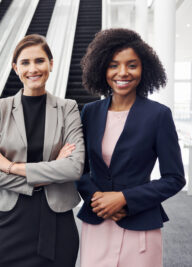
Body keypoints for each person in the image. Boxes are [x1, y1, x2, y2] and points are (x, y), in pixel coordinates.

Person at [76, 28, 186, 267]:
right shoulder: (90, 113)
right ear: (101, 69)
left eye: (132, 65)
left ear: (144, 68)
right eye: (113, 65)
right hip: (97, 223)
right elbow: (78, 169)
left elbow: (174, 178)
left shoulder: (158, 115)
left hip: (140, 226)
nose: (122, 73)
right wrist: (97, 198)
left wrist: (124, 198)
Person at [0, 34, 85, 267]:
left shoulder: (68, 108)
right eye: (25, 63)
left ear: (51, 64)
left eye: (39, 61)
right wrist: (51, 171)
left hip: (57, 222)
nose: (33, 68)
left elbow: (74, 167)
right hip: (10, 220)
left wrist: (10, 166)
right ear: (16, 68)